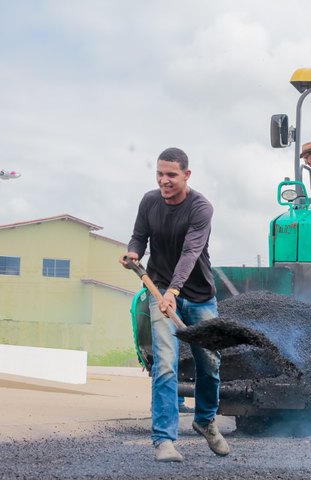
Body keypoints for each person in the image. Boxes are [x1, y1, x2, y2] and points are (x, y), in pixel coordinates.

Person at [120, 147, 229, 462]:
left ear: (186, 175)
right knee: (166, 364)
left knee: (210, 363)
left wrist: (175, 291)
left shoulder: (201, 208)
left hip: (198, 296)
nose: (164, 181)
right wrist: (134, 252)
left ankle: (205, 420)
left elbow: (190, 253)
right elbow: (139, 236)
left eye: (171, 175)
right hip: (159, 291)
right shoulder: (149, 202)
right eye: (159, 174)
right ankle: (164, 440)